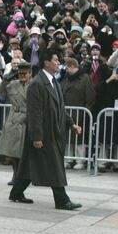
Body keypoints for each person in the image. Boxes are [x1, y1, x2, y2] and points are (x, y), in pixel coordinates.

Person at [9, 50, 83, 210]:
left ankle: (16, 192)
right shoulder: (37, 83)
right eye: (56, 59)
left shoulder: (54, 82)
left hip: (53, 131)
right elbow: (34, 113)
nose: (58, 62)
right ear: (46, 63)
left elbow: (60, 108)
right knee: (54, 166)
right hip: (44, 133)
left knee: (29, 165)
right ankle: (62, 200)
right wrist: (36, 137)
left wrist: (71, 124)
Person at [0, 60, 32, 183]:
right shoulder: (12, 84)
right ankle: (15, 175)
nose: (22, 76)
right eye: (20, 74)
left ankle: (25, 176)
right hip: (14, 119)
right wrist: (6, 79)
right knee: (13, 151)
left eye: (25, 74)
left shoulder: (34, 85)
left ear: (30, 73)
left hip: (28, 118)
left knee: (26, 152)